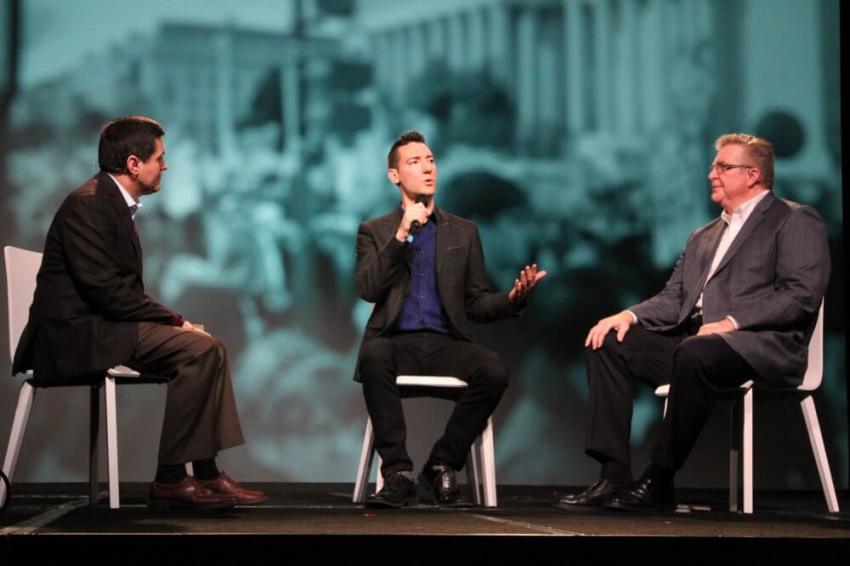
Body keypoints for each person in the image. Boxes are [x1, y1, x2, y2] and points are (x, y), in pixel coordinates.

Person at [556, 133, 830, 512]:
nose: (711, 174)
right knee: (608, 342)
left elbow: (800, 294)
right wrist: (627, 315)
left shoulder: (793, 219)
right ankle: (613, 475)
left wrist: (732, 322)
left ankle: (659, 479)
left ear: (752, 175)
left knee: (696, 350)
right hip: (696, 345)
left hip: (757, 346)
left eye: (723, 167)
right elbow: (674, 299)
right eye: (713, 166)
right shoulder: (703, 235)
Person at [12, 116, 266, 510]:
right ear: (134, 164)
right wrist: (177, 321)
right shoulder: (90, 203)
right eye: (160, 158)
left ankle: (206, 471)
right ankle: (170, 480)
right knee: (198, 349)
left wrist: (176, 324)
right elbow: (108, 293)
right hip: (75, 335)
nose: (166, 165)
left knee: (210, 347)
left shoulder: (110, 202)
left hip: (104, 326)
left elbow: (116, 294)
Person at [354, 131, 546, 508]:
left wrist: (512, 299)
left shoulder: (463, 231)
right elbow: (368, 289)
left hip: (446, 343)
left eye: (431, 160)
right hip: (396, 342)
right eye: (415, 162)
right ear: (394, 176)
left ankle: (442, 462)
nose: (427, 168)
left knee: (493, 370)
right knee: (373, 355)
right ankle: (397, 473)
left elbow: (476, 303)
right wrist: (401, 234)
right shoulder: (374, 231)